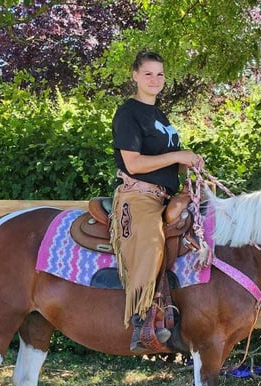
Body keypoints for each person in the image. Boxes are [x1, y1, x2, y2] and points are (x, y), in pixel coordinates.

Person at [110, 50, 204, 352]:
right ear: (135, 75)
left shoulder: (160, 116)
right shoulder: (128, 113)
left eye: (160, 74)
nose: (155, 79)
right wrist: (178, 155)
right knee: (151, 240)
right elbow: (134, 163)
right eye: (148, 73)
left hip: (165, 196)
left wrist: (186, 164)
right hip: (137, 196)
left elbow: (160, 161)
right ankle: (143, 319)